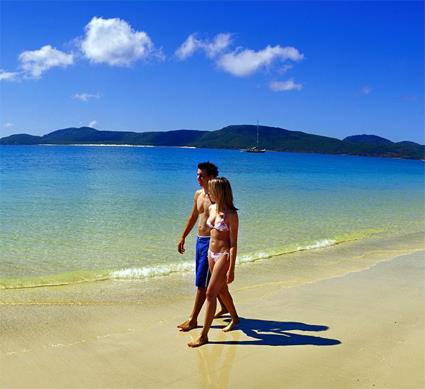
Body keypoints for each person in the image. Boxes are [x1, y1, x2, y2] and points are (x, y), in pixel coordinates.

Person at [188, 177, 239, 348]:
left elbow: (233, 243)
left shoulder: (231, 214)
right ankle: (235, 318)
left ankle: (204, 336)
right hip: (211, 253)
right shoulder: (211, 208)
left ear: (220, 192)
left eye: (211, 190)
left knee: (210, 293)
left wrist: (231, 268)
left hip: (223, 255)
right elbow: (203, 226)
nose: (208, 192)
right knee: (221, 290)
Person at [177, 162, 228, 332]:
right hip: (199, 241)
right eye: (197, 175)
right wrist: (183, 236)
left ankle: (193, 320)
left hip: (211, 244)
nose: (198, 178)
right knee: (215, 282)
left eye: (202, 175)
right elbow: (193, 216)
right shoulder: (198, 194)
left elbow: (227, 221)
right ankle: (228, 309)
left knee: (202, 283)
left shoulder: (218, 198)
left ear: (211, 177)